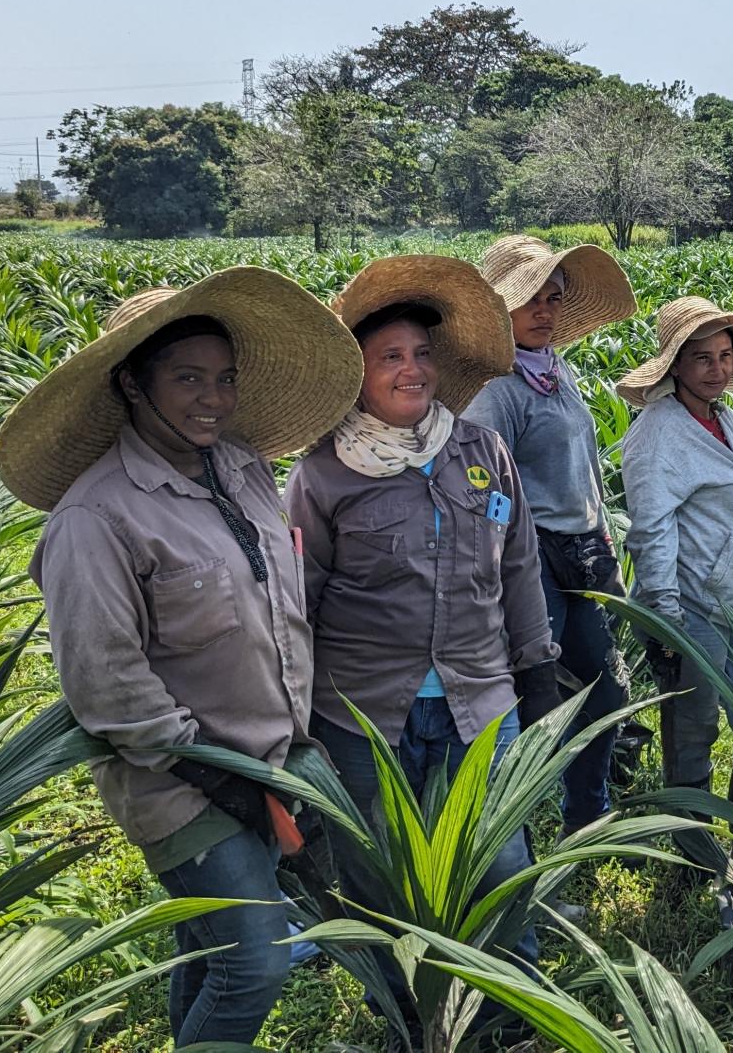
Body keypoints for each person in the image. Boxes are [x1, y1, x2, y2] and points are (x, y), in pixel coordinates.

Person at [0, 270, 363, 1046]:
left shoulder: (243, 467)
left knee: (214, 946)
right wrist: (213, 773)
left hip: (267, 758)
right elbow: (105, 681)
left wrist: (278, 757)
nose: (213, 399)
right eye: (187, 378)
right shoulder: (95, 516)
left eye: (224, 379)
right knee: (258, 962)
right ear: (132, 383)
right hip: (177, 782)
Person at [283, 254, 559, 1039]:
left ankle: (512, 1007)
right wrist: (292, 705)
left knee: (501, 860)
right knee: (379, 872)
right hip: (365, 707)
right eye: (391, 357)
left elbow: (519, 563)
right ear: (359, 374)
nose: (413, 370)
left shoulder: (479, 450)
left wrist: (536, 661)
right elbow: (299, 600)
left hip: (480, 694)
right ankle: (406, 1012)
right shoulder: (323, 474)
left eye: (423, 353)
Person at [461, 234, 639, 837]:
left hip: (582, 550)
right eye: (528, 298)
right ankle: (506, 842)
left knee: (602, 693)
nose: (544, 310)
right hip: (533, 558)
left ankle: (586, 820)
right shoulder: (496, 389)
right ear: (498, 310)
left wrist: (604, 533)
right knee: (532, 704)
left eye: (553, 297)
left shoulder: (554, 373)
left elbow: (585, 469)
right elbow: (486, 496)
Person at [617, 296, 733, 882]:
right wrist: (664, 621)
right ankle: (689, 860)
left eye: (723, 356)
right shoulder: (658, 432)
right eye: (701, 358)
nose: (717, 369)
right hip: (691, 609)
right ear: (673, 366)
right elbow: (651, 532)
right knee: (692, 731)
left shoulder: (726, 417)